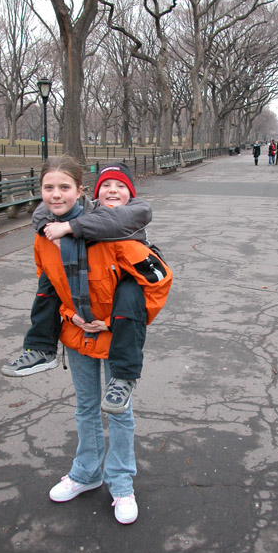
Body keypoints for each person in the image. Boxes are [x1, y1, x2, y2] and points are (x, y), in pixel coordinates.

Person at [32, 156, 173, 524]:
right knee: (85, 408)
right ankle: (86, 472)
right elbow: (51, 285)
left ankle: (121, 481)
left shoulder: (119, 238)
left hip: (114, 337)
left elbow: (157, 281)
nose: (56, 194)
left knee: (119, 411)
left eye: (64, 187)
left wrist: (113, 323)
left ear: (78, 191)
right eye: (49, 187)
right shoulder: (49, 235)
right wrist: (70, 315)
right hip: (77, 334)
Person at [1, 167, 152, 381]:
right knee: (48, 283)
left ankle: (125, 376)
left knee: (129, 295)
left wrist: (68, 227)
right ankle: (41, 348)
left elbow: (114, 221)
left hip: (120, 309)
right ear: (94, 194)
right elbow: (43, 213)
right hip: (79, 326)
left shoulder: (134, 213)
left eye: (121, 186)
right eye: (106, 186)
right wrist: (70, 315)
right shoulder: (89, 214)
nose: (113, 191)